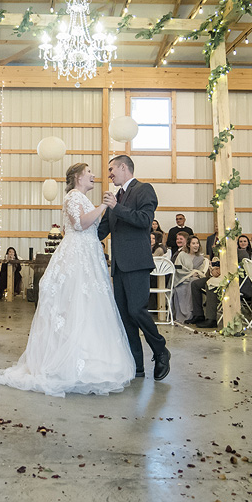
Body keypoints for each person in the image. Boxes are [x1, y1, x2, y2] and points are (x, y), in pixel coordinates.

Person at [0, 162, 135, 396]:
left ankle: (93, 357)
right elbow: (80, 224)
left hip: (89, 255)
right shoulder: (72, 197)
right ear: (78, 177)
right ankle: (69, 361)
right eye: (89, 173)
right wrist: (103, 207)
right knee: (75, 303)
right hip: (76, 256)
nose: (93, 175)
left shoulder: (82, 197)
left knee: (91, 306)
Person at [99, 154, 170, 381]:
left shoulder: (144, 189)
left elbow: (143, 220)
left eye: (112, 169)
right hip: (118, 266)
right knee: (125, 317)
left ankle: (160, 350)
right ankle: (136, 367)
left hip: (137, 263)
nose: (109, 174)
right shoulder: (115, 198)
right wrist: (77, 230)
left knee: (136, 311)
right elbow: (102, 230)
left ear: (123, 167)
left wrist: (117, 207)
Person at [171, 236, 209, 323]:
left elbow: (201, 271)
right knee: (181, 288)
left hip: (193, 280)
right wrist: (190, 274)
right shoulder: (182, 255)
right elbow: (178, 268)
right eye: (193, 243)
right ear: (188, 245)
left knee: (193, 282)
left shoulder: (200, 258)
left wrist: (196, 273)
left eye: (197, 243)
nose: (196, 245)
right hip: (181, 280)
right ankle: (184, 315)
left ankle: (192, 314)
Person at [187, 259, 222, 328]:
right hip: (216, 276)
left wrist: (219, 271)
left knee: (210, 285)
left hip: (224, 278)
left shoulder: (239, 253)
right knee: (195, 284)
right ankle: (198, 314)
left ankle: (211, 319)